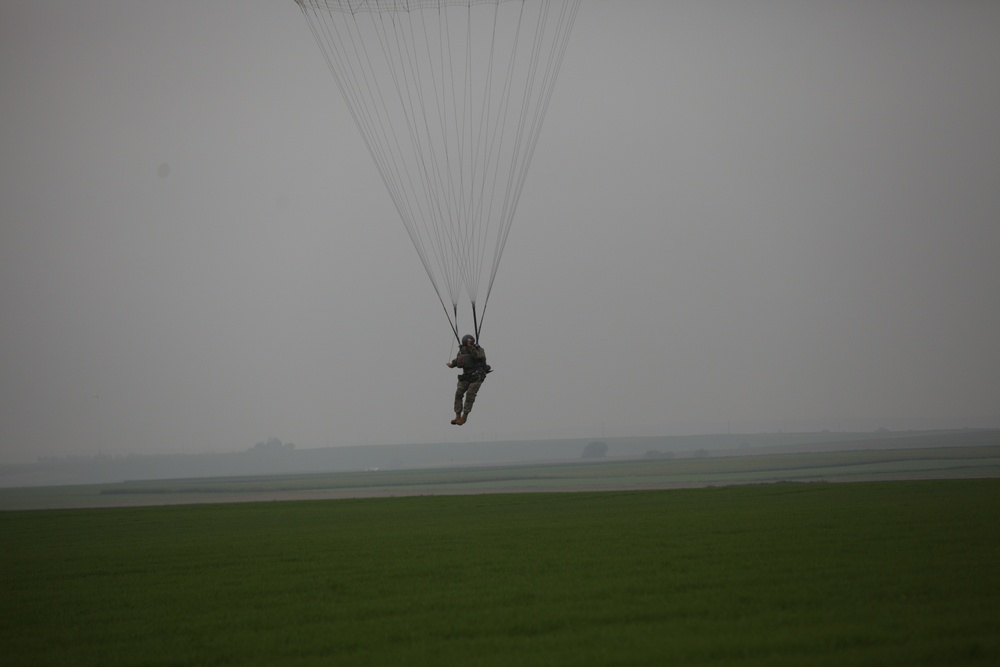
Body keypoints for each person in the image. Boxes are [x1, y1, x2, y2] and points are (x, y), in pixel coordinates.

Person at [446, 334, 490, 425]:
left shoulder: (479, 350)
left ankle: (464, 416)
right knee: (458, 393)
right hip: (466, 376)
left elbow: (478, 357)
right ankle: (457, 415)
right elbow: (458, 359)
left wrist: (471, 347)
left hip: (476, 376)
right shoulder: (462, 351)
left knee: (470, 394)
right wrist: (452, 365)